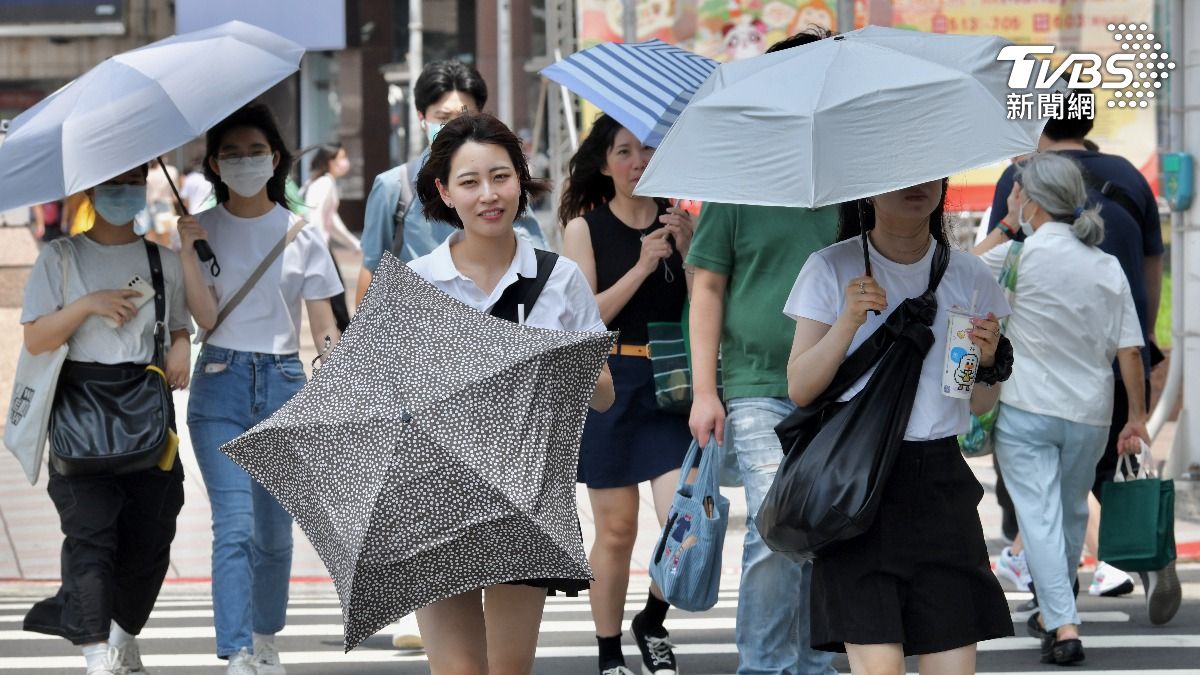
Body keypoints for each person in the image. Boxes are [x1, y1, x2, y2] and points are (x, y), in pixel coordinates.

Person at [405, 112, 614, 675]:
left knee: (508, 669)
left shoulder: (560, 278)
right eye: (469, 182)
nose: (488, 195)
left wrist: (553, 366)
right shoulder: (418, 282)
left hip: (525, 493)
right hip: (437, 495)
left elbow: (602, 395)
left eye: (500, 177)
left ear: (521, 180)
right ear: (444, 192)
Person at [784, 178, 1014, 674]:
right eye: (899, 174)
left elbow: (977, 404)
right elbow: (800, 386)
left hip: (941, 488)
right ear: (866, 188)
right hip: (859, 488)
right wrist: (848, 319)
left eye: (929, 173)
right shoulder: (831, 267)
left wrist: (988, 361)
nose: (917, 185)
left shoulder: (971, 276)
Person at [984, 95, 1178, 622]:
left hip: (1029, 392)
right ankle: (1127, 562)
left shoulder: (1021, 185)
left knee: (1035, 507)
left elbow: (970, 276)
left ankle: (1060, 614)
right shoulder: (1129, 180)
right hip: (1103, 378)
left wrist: (1004, 227)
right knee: (1082, 495)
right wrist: (1139, 402)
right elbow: (1151, 274)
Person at [685, 29, 838, 675]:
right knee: (775, 524)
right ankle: (765, 665)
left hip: (839, 383)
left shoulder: (850, 182)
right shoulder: (737, 181)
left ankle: (815, 661)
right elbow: (709, 285)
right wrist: (704, 389)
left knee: (826, 529)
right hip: (756, 382)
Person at [176, 103, 344, 675]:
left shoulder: (301, 233)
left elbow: (322, 323)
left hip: (285, 384)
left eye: (255, 152)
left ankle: (265, 634)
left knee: (274, 533)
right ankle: (237, 650)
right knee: (235, 524)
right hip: (219, 384)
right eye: (231, 153)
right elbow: (204, 318)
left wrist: (337, 380)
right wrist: (186, 252)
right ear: (215, 166)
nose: (245, 161)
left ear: (275, 159)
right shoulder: (202, 231)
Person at [976, 152, 1149, 665]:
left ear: (1029, 199)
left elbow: (958, 271)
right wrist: (1136, 416)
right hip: (1091, 410)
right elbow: (1131, 351)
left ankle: (1064, 623)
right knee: (1071, 513)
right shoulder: (1104, 265)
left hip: (1026, 406)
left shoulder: (1014, 257)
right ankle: (1057, 612)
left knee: (1040, 516)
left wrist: (1007, 222)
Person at [20, 164, 192, 675]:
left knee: (153, 533)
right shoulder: (61, 258)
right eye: (114, 182)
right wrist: (88, 306)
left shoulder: (163, 260)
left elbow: (178, 325)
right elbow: (35, 338)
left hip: (146, 403)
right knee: (91, 535)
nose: (125, 191)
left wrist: (182, 345)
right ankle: (98, 657)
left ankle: (121, 634)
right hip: (79, 406)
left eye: (135, 180)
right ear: (92, 190)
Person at [560, 113, 694, 675]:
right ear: (605, 163)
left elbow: (708, 307)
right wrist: (642, 265)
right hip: (609, 385)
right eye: (624, 151)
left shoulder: (685, 224)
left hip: (672, 386)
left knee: (685, 527)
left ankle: (653, 620)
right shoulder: (584, 229)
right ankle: (610, 652)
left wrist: (689, 253)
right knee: (617, 530)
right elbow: (583, 318)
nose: (637, 161)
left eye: (648, 151)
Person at [356, 60, 544, 307]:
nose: (455, 127)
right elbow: (372, 268)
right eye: (443, 117)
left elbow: (536, 255)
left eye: (465, 116)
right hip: (422, 327)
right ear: (422, 118)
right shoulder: (393, 186)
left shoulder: (502, 188)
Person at [303, 143, 360, 332]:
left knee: (334, 295)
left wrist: (352, 243)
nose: (345, 162)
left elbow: (332, 220)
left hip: (320, 246)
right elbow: (315, 217)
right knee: (335, 295)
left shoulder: (322, 182)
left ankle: (344, 334)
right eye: (341, 158)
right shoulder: (325, 183)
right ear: (330, 161)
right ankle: (346, 337)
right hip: (319, 247)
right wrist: (318, 249)